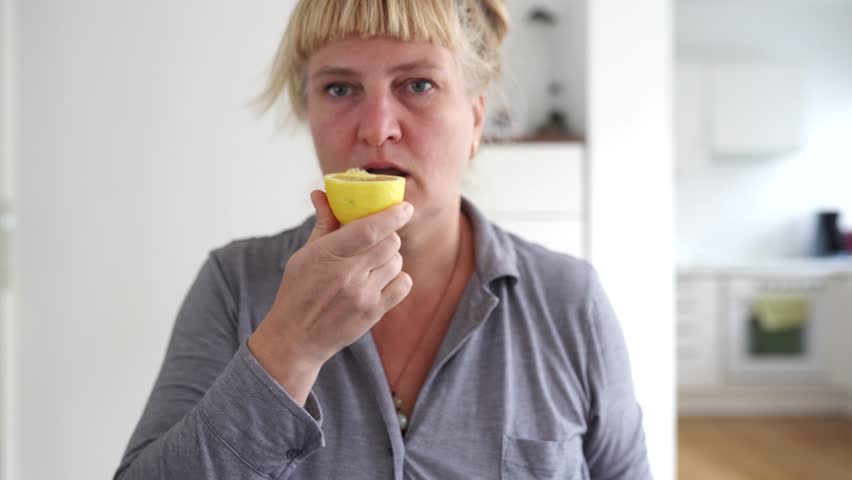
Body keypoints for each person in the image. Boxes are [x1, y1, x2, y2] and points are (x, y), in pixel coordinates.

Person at [114, 1, 652, 478]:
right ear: (310, 114)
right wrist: (289, 348)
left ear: (475, 119)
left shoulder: (569, 301)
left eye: (418, 84)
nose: (376, 127)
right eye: (340, 88)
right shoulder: (236, 285)